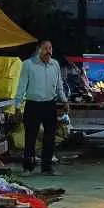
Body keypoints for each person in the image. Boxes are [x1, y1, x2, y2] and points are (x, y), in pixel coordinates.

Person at [15, 40, 67, 175]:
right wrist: (17, 106)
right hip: (33, 104)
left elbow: (59, 84)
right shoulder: (28, 64)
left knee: (50, 138)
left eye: (50, 48)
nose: (48, 51)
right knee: (30, 137)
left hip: (50, 104)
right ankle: (28, 167)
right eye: (45, 48)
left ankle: (47, 168)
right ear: (39, 49)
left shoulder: (55, 64)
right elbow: (21, 86)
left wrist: (65, 101)